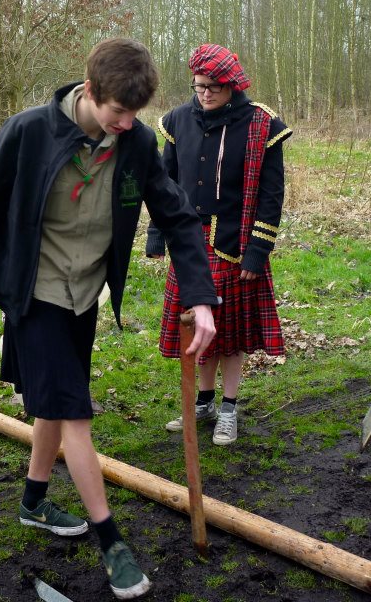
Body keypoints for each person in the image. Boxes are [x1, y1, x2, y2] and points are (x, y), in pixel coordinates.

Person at [0, 38, 217, 600]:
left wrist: (201, 297)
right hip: (36, 291)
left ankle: (33, 502)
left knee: (55, 402)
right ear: (91, 91)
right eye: (117, 111)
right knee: (74, 411)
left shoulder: (137, 142)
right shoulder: (28, 132)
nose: (125, 123)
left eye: (134, 113)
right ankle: (112, 542)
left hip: (85, 294)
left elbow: (176, 216)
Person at [147, 44, 289, 446]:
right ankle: (203, 402)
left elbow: (271, 195)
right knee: (197, 326)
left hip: (235, 244)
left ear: (232, 86)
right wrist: (157, 235)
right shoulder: (177, 120)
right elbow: (163, 185)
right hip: (189, 243)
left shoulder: (262, 124)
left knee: (230, 332)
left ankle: (228, 407)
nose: (205, 94)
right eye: (199, 86)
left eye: (213, 87)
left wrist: (257, 251)